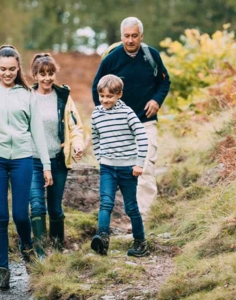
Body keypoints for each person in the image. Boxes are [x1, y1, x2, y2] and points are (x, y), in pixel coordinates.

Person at [0, 45, 53, 292]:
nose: (7, 73)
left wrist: (47, 166)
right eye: (3, 69)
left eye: (12, 69)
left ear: (18, 68)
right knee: (0, 217)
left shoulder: (27, 95)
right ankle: (2, 270)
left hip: (22, 159)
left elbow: (37, 133)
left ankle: (26, 246)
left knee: (20, 214)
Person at [92, 17, 171, 219]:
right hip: (120, 125)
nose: (130, 40)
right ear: (121, 36)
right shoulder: (111, 59)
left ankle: (144, 220)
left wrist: (156, 101)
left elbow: (164, 82)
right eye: (126, 36)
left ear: (141, 36)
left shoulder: (151, 55)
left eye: (134, 36)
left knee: (145, 167)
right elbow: (96, 89)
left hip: (146, 121)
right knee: (124, 170)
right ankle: (128, 215)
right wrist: (106, 117)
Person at [28, 53, 84, 256]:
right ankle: (42, 255)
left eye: (50, 73)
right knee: (36, 206)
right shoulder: (27, 97)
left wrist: (77, 145)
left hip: (57, 160)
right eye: (42, 74)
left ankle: (58, 251)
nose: (47, 78)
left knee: (55, 208)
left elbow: (75, 126)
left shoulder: (63, 97)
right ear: (34, 75)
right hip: (32, 161)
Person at [91, 74, 149, 257]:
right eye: (102, 96)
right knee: (105, 203)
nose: (105, 100)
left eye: (109, 96)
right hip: (107, 167)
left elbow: (142, 136)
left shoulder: (127, 113)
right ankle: (102, 238)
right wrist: (100, 157)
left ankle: (140, 242)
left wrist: (139, 163)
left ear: (119, 95)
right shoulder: (96, 114)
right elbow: (95, 137)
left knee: (131, 207)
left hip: (128, 168)